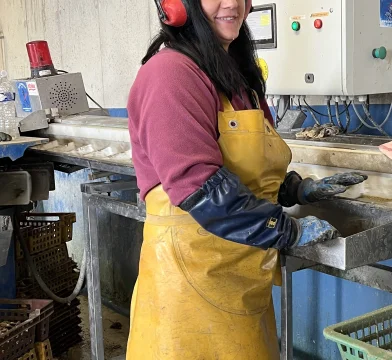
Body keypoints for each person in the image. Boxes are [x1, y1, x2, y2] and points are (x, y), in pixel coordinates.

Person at [125, 0, 367, 358]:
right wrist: (290, 231)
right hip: (189, 284)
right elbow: (199, 188)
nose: (232, 3)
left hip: (240, 276)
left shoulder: (235, 78)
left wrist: (297, 189)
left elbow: (243, 168)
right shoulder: (170, 74)